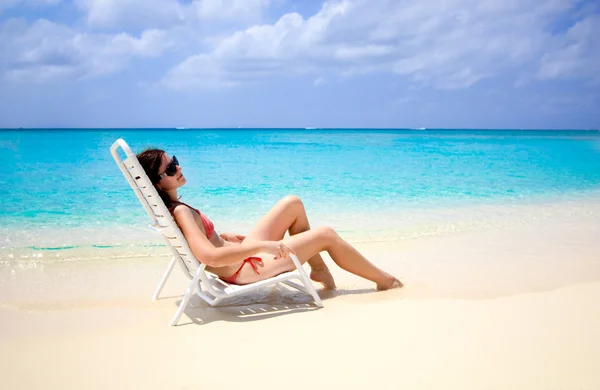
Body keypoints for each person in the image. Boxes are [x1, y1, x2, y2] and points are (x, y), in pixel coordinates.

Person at [136, 148, 403, 291]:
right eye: (170, 169)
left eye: (176, 161)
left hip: (239, 256)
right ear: (158, 184)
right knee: (326, 234)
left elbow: (207, 244)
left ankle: (319, 269)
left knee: (292, 203)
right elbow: (210, 258)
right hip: (245, 268)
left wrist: (223, 236)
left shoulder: (177, 208)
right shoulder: (181, 212)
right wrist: (262, 247)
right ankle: (385, 280)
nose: (179, 168)